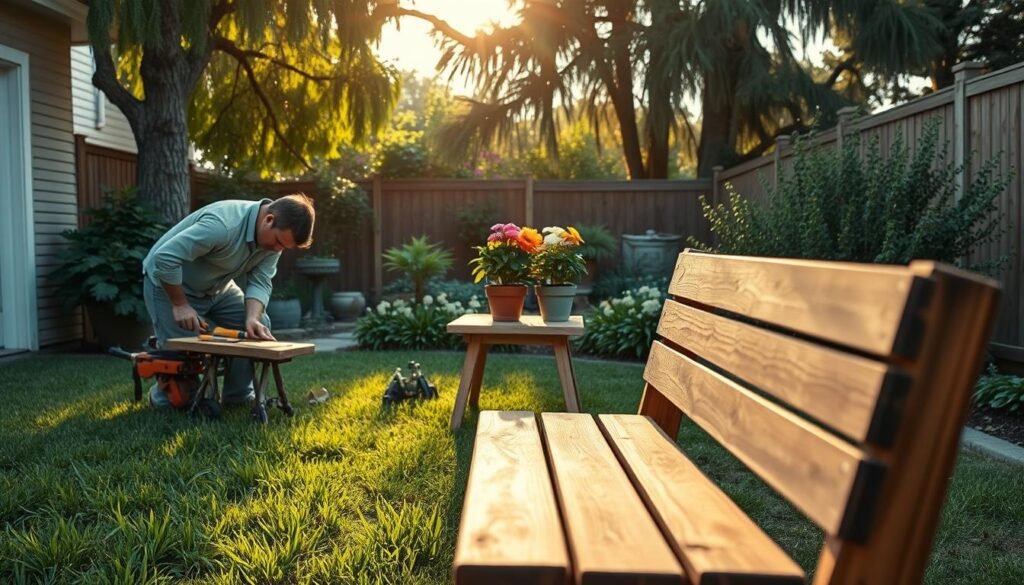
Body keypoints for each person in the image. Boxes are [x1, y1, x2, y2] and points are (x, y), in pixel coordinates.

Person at [142, 194, 315, 407]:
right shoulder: (223, 226)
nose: (278, 250)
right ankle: (159, 398)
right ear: (268, 220)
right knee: (182, 391)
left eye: (284, 247)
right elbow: (165, 257)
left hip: (217, 288)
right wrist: (180, 304)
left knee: (258, 328)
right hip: (169, 285)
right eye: (278, 242)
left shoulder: (273, 241)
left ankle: (238, 396)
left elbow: (260, 281)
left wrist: (252, 318)